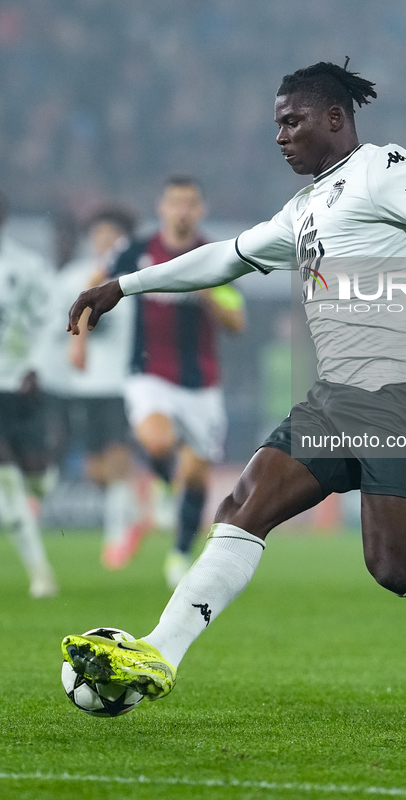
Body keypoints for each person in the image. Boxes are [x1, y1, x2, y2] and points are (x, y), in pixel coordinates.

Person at [62, 60, 406, 702]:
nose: (281, 135)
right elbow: (222, 259)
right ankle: (159, 653)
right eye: (277, 125)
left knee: (392, 566)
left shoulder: (382, 167)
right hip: (336, 399)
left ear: (335, 118)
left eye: (293, 121)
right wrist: (125, 283)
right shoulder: (302, 210)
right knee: (242, 507)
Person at [76, 176, 245, 587]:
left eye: (190, 203)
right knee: (157, 441)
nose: (183, 211)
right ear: (162, 208)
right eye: (175, 203)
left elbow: (236, 322)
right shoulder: (137, 250)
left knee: (199, 475)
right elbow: (96, 281)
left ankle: (179, 554)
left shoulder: (214, 256)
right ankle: (163, 494)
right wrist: (78, 338)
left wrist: (204, 289)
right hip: (148, 372)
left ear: (200, 210)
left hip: (202, 382)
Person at [39, 205, 147, 569]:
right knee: (95, 469)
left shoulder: (134, 277)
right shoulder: (71, 278)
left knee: (115, 460)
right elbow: (53, 325)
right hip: (79, 385)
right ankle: (137, 512)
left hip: (119, 382)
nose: (105, 240)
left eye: (113, 235)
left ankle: (117, 539)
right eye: (99, 234)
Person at [0, 190, 58, 598]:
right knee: (7, 480)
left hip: (22, 386)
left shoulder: (28, 267)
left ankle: (33, 492)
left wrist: (36, 366)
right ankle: (40, 574)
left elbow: (51, 320)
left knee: (39, 482)